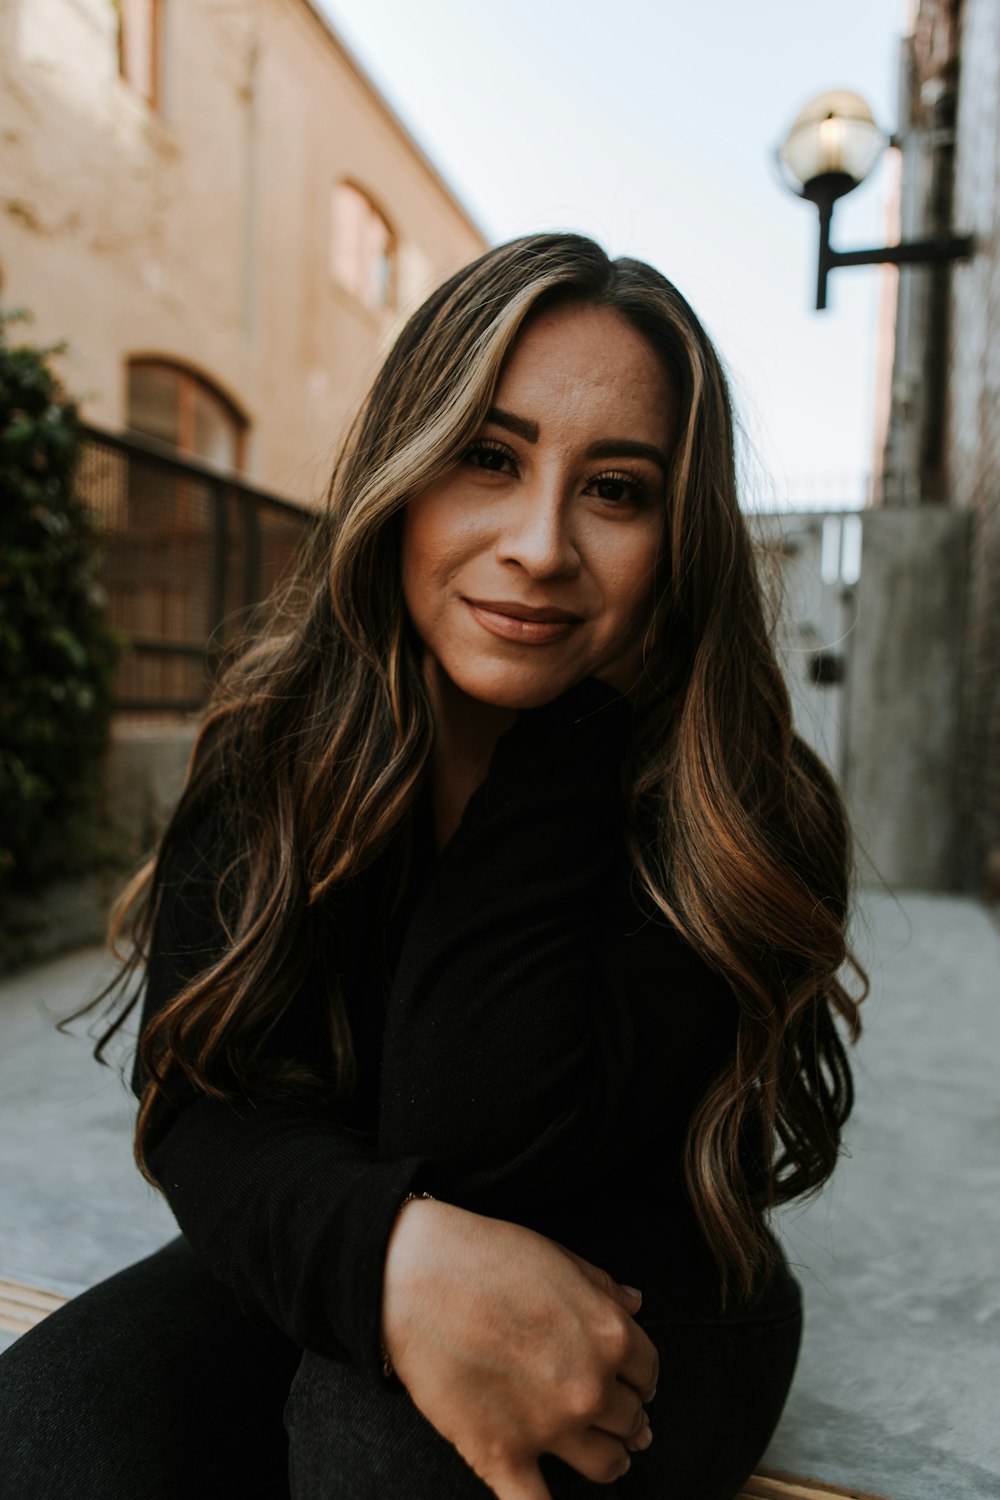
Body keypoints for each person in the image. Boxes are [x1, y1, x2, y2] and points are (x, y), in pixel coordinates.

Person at [0, 232, 865, 1500]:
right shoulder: (284, 738)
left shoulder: (745, 808)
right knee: (45, 1434)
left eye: (615, 491)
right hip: (360, 1236)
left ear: (678, 538)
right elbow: (198, 1101)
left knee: (381, 1454)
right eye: (488, 459)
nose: (539, 544)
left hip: (650, 1279)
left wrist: (562, 744)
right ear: (401, 473)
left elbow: (484, 1140)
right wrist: (387, 1258)